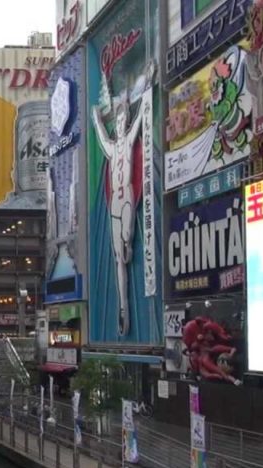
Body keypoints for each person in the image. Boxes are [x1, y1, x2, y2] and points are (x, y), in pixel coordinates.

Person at [90, 60, 154, 336]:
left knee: (127, 239)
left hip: (127, 195)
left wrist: (148, 80)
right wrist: (95, 117)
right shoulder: (111, 146)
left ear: (124, 121)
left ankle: (128, 244)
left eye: (121, 120)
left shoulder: (127, 142)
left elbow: (139, 119)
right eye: (116, 121)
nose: (118, 124)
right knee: (118, 258)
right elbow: (100, 132)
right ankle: (123, 308)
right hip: (115, 202)